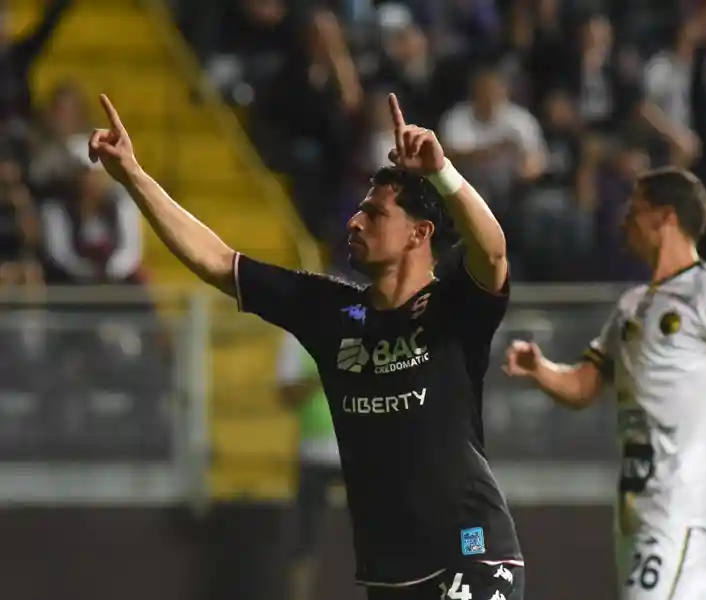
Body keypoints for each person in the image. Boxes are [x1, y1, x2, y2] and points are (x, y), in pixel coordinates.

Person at [87, 93, 524, 600]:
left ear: (418, 233)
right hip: (391, 570)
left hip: (471, 551)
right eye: (358, 212)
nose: (354, 223)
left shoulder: (454, 308)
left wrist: (443, 172)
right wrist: (135, 177)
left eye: (374, 214)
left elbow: (491, 249)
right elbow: (217, 261)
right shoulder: (330, 312)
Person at [503, 167, 706, 600]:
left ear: (666, 218)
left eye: (634, 211)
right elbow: (584, 385)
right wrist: (540, 369)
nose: (624, 221)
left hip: (686, 507)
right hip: (636, 505)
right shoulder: (631, 305)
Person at [277, 329, 342, 600]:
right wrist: (322, 373)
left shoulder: (364, 326)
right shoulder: (294, 336)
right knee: (305, 541)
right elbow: (286, 395)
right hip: (314, 453)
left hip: (363, 451)